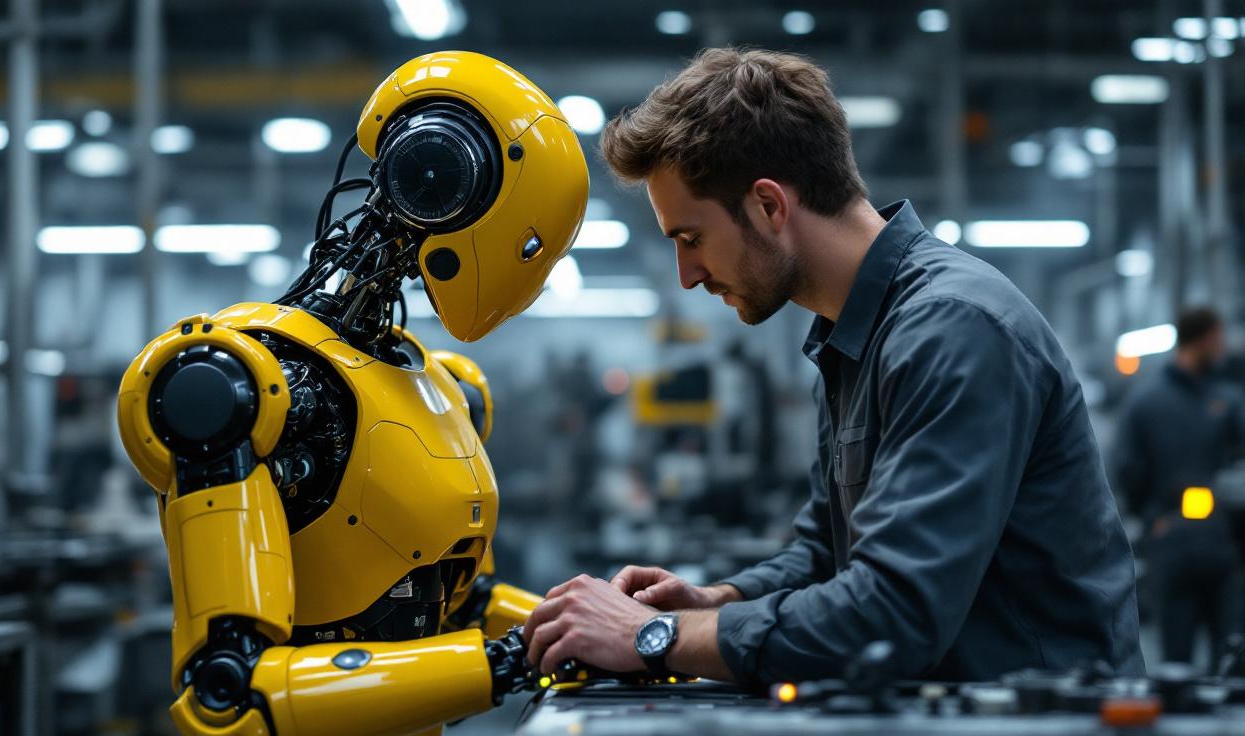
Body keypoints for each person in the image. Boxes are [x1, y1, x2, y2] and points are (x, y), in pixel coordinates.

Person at [523, 47, 1144, 687]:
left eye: (691, 238)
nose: (688, 276)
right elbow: (828, 554)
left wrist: (654, 637)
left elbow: (893, 614)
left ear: (769, 205)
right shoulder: (854, 336)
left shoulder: (953, 328)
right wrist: (717, 602)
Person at [1116, 307, 1245, 667]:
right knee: (1177, 661)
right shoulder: (1147, 401)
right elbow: (1128, 470)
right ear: (1204, 338)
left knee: (1231, 657)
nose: (1223, 347)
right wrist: (1154, 520)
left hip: (1223, 547)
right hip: (1172, 544)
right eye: (1219, 338)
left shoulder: (1226, 400)